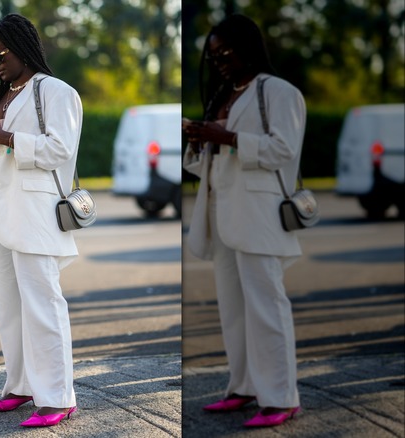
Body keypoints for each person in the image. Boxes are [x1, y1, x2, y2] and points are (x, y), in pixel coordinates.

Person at [0, 13, 82, 428]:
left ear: (23, 48)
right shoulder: (0, 95)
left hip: (35, 212)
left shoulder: (55, 91)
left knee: (43, 304)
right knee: (9, 307)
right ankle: (21, 386)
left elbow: (60, 150)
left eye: (1, 54)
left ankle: (58, 397)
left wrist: (4, 137)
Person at [182, 14, 305, 428]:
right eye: (213, 55)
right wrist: (199, 140)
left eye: (225, 52)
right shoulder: (225, 94)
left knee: (267, 306)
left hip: (259, 214)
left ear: (248, 48)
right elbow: (210, 163)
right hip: (221, 212)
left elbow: (284, 150)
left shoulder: (278, 92)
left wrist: (227, 137)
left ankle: (281, 397)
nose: (218, 61)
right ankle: (245, 387)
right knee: (233, 310)